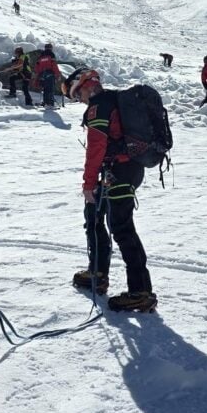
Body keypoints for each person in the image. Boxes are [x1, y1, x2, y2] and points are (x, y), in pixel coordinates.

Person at [63, 67, 157, 312]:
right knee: (94, 217)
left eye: (77, 94)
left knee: (121, 227)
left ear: (84, 85)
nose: (78, 100)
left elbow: (95, 149)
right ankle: (98, 272)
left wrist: (88, 184)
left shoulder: (98, 108)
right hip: (122, 170)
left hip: (120, 172)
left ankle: (141, 291)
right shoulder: (113, 99)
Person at [34, 42, 62, 107]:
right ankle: (50, 103)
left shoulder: (41, 56)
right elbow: (54, 65)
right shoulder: (51, 55)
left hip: (42, 75)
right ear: (50, 48)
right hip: (50, 74)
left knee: (45, 89)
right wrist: (57, 74)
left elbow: (37, 67)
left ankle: (45, 102)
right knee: (50, 89)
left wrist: (38, 75)